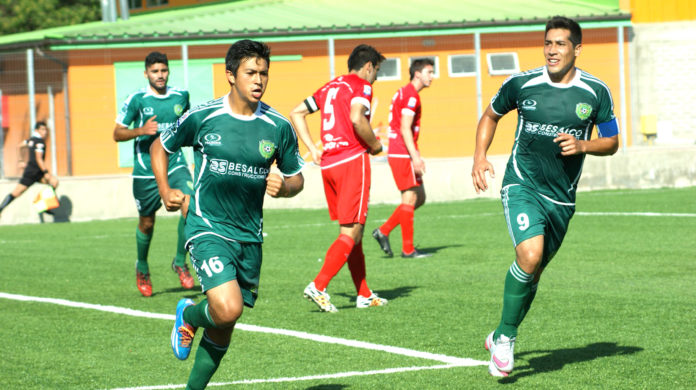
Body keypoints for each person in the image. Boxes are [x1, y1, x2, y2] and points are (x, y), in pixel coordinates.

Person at [471, 16, 619, 377]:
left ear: (577, 49)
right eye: (548, 43)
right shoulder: (521, 83)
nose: (552, 51)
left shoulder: (595, 92)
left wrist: (584, 144)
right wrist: (479, 156)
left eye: (560, 44)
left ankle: (502, 331)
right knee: (530, 253)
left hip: (561, 199)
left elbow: (612, 141)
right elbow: (490, 116)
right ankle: (505, 338)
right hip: (522, 183)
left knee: (532, 272)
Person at [151, 39, 304, 389]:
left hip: (249, 237)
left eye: (264, 73)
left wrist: (286, 187)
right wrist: (165, 190)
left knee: (224, 323)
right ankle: (188, 313)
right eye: (251, 72)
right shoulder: (204, 116)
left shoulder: (278, 126)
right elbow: (159, 146)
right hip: (207, 226)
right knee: (228, 307)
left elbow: (297, 179)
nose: (259, 80)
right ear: (230, 75)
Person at [290, 44, 388, 312]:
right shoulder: (361, 85)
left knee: (353, 230)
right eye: (377, 70)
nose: (376, 77)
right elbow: (357, 118)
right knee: (352, 229)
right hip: (351, 160)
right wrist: (376, 145)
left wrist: (312, 147)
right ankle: (319, 285)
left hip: (330, 164)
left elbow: (296, 112)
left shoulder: (331, 86)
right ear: (368, 66)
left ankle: (364, 293)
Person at [113, 51, 195, 297]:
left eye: (164, 70)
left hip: (175, 163)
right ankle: (143, 266)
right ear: (146, 73)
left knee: (189, 204)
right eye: (155, 71)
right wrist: (141, 130)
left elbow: (187, 125)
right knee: (147, 223)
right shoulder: (137, 99)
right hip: (145, 169)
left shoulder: (181, 96)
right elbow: (117, 133)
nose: (160, 75)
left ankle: (180, 261)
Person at [372, 58, 435, 259]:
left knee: (420, 197)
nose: (432, 76)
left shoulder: (405, 92)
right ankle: (408, 250)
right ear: (417, 74)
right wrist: (415, 157)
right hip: (402, 153)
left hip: (401, 152)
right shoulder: (411, 96)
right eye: (429, 72)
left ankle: (384, 230)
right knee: (410, 198)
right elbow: (405, 127)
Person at [0, 121, 59, 216]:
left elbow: (19, 146)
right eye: (42, 129)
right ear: (37, 130)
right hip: (32, 173)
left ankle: (42, 204)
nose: (45, 132)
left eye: (46, 130)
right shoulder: (39, 142)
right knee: (17, 193)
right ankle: (1, 209)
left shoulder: (31, 140)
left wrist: (21, 160)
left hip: (37, 173)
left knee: (54, 182)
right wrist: (46, 172)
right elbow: (39, 159)